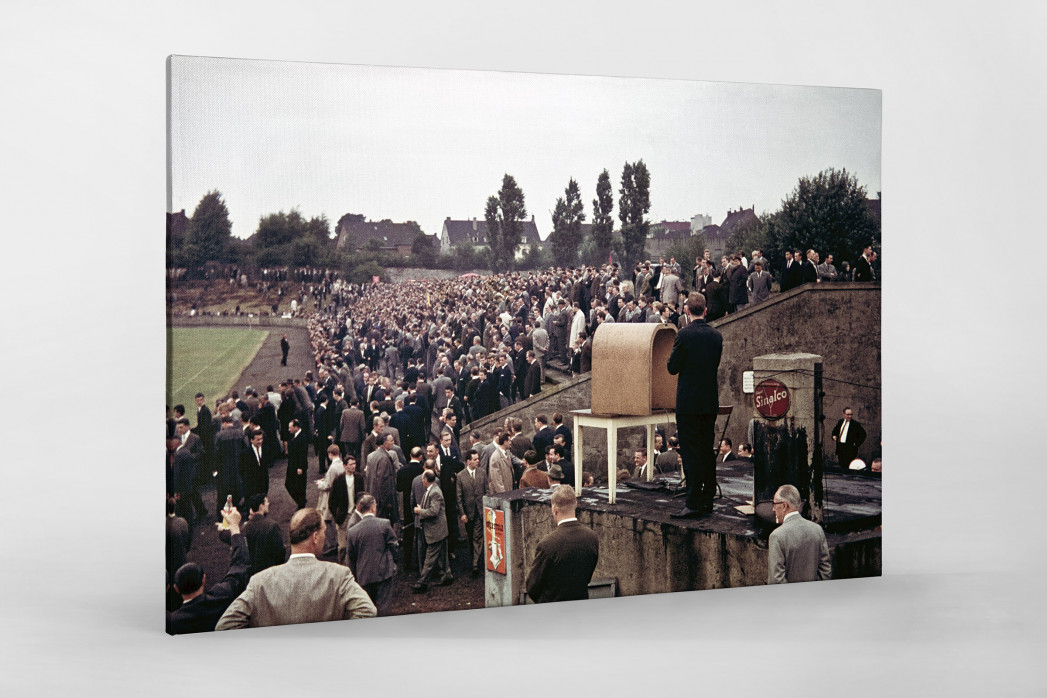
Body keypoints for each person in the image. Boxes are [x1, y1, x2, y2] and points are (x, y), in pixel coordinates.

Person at [216, 508, 376, 629]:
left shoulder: (260, 582)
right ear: (315, 537)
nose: (325, 537)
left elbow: (224, 625)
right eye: (324, 532)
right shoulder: (339, 575)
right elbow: (368, 611)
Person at [667, 293, 723, 519]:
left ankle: (692, 501)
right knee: (707, 450)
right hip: (708, 401)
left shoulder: (684, 335)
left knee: (690, 452)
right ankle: (707, 499)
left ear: (687, 310)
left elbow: (672, 367)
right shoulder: (716, 336)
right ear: (706, 310)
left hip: (689, 403)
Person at [167, 507, 251, 635]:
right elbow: (239, 567)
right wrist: (234, 527)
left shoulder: (171, 623)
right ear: (204, 579)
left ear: (175, 588)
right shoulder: (222, 597)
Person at [525, 485, 599, 604]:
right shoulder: (592, 537)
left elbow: (532, 587)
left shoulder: (547, 544)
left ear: (554, 509)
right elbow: (587, 577)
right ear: (575, 504)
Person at [344, 494, 399, 617]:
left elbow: (350, 557)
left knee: (368, 610)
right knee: (384, 609)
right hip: (384, 573)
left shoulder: (352, 531)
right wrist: (393, 562)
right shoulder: (384, 524)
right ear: (373, 507)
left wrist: (355, 577)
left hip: (364, 575)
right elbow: (394, 546)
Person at [767, 484, 832, 584]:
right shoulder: (817, 530)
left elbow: (776, 580)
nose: (773, 509)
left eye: (775, 504)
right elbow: (825, 570)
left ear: (784, 506)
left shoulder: (777, 536)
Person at [412, 469, 453, 593]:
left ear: (425, 480)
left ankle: (422, 583)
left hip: (436, 531)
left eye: (422, 479)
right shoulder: (431, 490)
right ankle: (447, 576)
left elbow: (433, 512)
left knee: (429, 558)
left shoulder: (434, 492)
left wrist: (420, 512)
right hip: (439, 530)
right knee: (442, 556)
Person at [455, 449, 488, 577]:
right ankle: (475, 558)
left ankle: (475, 564)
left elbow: (487, 490)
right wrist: (462, 514)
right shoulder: (460, 476)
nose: (478, 461)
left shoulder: (482, 473)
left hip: (480, 511)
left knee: (477, 536)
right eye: (475, 459)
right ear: (468, 461)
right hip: (468, 513)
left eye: (478, 459)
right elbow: (458, 497)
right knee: (471, 537)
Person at [239, 494, 287, 576]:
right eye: (266, 502)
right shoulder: (272, 526)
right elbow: (279, 553)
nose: (268, 503)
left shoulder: (245, 528)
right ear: (261, 506)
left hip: (251, 574)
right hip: (270, 573)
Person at [285, 418, 309, 510]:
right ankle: (301, 501)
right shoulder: (295, 435)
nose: (289, 429)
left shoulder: (302, 437)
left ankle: (301, 503)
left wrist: (300, 467)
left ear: (296, 427)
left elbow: (303, 454)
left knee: (299, 486)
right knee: (289, 484)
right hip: (292, 465)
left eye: (290, 427)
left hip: (298, 466)